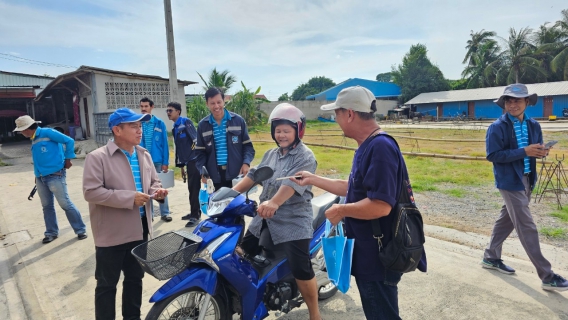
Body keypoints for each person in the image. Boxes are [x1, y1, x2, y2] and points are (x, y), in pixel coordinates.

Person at [291, 86, 425, 319]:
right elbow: (354, 188)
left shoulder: (380, 147)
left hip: (378, 257)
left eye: (337, 114)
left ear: (350, 114)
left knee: (382, 314)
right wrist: (313, 179)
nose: (336, 120)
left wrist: (341, 210)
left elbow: (381, 205)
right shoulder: (368, 145)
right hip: (369, 252)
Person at [233, 103, 321, 320]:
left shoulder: (305, 156)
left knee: (301, 267)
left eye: (286, 131)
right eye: (278, 130)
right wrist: (228, 194)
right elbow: (253, 175)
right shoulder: (271, 154)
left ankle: (314, 314)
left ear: (298, 131)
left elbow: (292, 184)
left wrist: (274, 202)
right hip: (264, 216)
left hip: (293, 219)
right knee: (241, 252)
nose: (281, 135)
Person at [83, 107, 169, 319]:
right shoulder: (97, 158)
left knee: (134, 278)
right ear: (117, 130)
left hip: (140, 228)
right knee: (106, 284)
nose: (140, 130)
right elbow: (91, 192)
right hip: (112, 233)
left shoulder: (143, 154)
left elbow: (153, 182)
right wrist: (129, 198)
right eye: (134, 126)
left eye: (140, 126)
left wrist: (157, 192)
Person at [483, 83, 568, 291]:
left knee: (506, 220)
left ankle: (491, 257)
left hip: (527, 178)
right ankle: (547, 275)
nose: (513, 105)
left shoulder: (533, 125)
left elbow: (533, 150)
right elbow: (493, 155)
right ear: (504, 103)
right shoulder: (497, 127)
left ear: (527, 102)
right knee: (526, 225)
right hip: (509, 181)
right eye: (509, 101)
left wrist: (540, 151)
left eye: (517, 100)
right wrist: (525, 151)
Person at [13, 115, 87, 244]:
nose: (21, 133)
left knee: (65, 204)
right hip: (41, 177)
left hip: (56, 174)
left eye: (21, 130)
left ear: (26, 129)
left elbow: (69, 141)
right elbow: (38, 159)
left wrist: (68, 159)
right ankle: (51, 233)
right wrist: (37, 176)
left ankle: (80, 229)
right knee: (47, 206)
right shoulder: (33, 138)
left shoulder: (48, 133)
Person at [195, 87, 255, 191]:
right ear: (207, 104)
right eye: (212, 103)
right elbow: (200, 153)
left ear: (224, 101)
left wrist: (246, 163)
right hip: (214, 177)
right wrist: (203, 172)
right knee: (219, 206)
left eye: (219, 102)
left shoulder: (238, 121)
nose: (216, 106)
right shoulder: (203, 125)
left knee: (237, 206)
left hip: (237, 175)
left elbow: (248, 146)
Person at [166, 101, 201, 227]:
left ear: (178, 111)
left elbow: (196, 140)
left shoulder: (186, 122)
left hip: (194, 161)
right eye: (167, 111)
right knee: (191, 188)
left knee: (194, 188)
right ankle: (194, 212)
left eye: (170, 110)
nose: (168, 113)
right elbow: (179, 149)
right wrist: (181, 166)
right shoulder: (175, 127)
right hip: (187, 162)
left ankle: (195, 216)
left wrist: (195, 158)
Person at [139, 97, 172, 222]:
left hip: (157, 162)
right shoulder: (138, 123)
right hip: (143, 161)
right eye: (142, 107)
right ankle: (150, 214)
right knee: (146, 189)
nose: (143, 109)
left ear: (151, 107)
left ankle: (165, 213)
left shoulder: (159, 123)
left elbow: (164, 144)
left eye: (146, 106)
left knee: (160, 188)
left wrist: (165, 163)